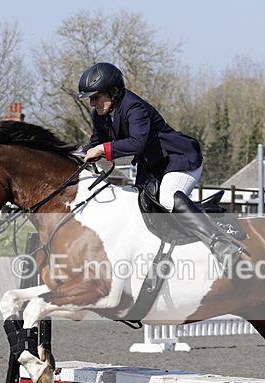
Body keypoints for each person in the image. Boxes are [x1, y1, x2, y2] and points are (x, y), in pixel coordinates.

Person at [76, 62, 246, 271]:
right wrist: (76, 153)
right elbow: (95, 143)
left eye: (96, 97)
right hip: (153, 168)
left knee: (167, 198)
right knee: (135, 204)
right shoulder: (100, 115)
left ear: (113, 91)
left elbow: (136, 142)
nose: (92, 103)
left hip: (180, 160)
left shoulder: (133, 107)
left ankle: (221, 245)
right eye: (90, 99)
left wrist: (102, 149)